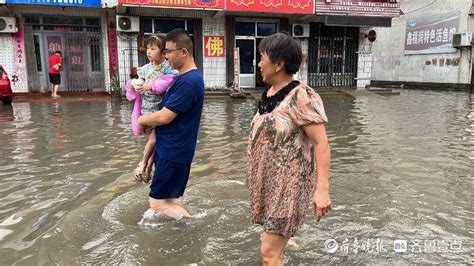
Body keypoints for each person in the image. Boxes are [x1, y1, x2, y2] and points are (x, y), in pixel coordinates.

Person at [246, 32, 332, 265]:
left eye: (262, 58)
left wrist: (322, 189)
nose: (259, 64)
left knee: (268, 254)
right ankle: (285, 241)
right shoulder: (270, 93)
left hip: (288, 184)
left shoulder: (302, 96)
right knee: (271, 238)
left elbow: (321, 143)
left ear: (279, 64)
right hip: (267, 182)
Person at [137, 29, 204, 218]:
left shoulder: (189, 82)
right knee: (169, 200)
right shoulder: (181, 79)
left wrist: (141, 120)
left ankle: (196, 226)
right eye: (164, 51)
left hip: (174, 150)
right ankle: (184, 233)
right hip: (171, 148)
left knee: (157, 202)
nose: (165, 56)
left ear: (184, 52)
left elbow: (165, 117)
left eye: (168, 51)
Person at [125, 34, 175, 184]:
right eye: (147, 48)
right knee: (153, 140)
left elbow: (169, 81)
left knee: (156, 141)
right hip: (148, 108)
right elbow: (137, 82)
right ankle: (144, 164)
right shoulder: (146, 68)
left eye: (153, 48)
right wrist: (136, 84)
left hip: (161, 108)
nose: (148, 51)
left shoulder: (168, 68)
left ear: (163, 52)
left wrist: (151, 86)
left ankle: (146, 166)